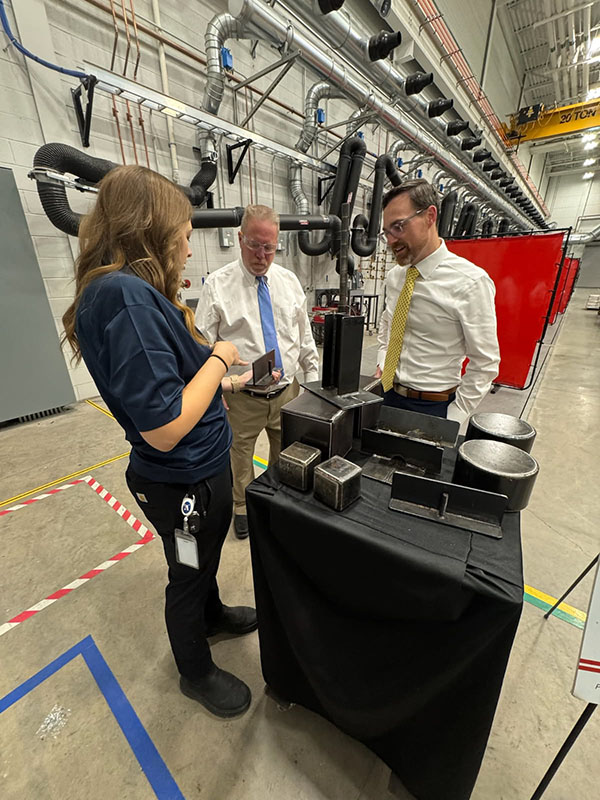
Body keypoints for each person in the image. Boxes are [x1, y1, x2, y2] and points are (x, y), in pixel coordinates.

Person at [61, 165, 256, 719]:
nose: (188, 249)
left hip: (201, 469)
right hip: (182, 481)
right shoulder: (122, 296)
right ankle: (194, 672)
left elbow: (172, 379)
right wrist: (219, 354)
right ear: (153, 228)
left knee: (204, 560)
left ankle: (213, 616)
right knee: (187, 572)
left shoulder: (132, 294)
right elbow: (165, 425)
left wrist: (225, 379)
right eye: (186, 235)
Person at [197, 204, 320, 539]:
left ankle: (280, 500)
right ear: (240, 238)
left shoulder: (289, 282)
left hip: (288, 393)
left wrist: (313, 388)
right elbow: (201, 348)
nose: (262, 255)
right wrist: (215, 390)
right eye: (254, 244)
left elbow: (304, 337)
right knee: (240, 456)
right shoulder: (218, 286)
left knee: (289, 452)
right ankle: (241, 507)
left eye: (269, 247)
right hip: (243, 397)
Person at [376, 179, 500, 423]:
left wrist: (455, 415)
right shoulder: (395, 277)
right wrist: (383, 361)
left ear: (430, 216)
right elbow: (387, 324)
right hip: (386, 394)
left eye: (398, 227)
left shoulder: (470, 282)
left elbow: (485, 362)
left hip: (433, 407)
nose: (391, 240)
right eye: (387, 232)